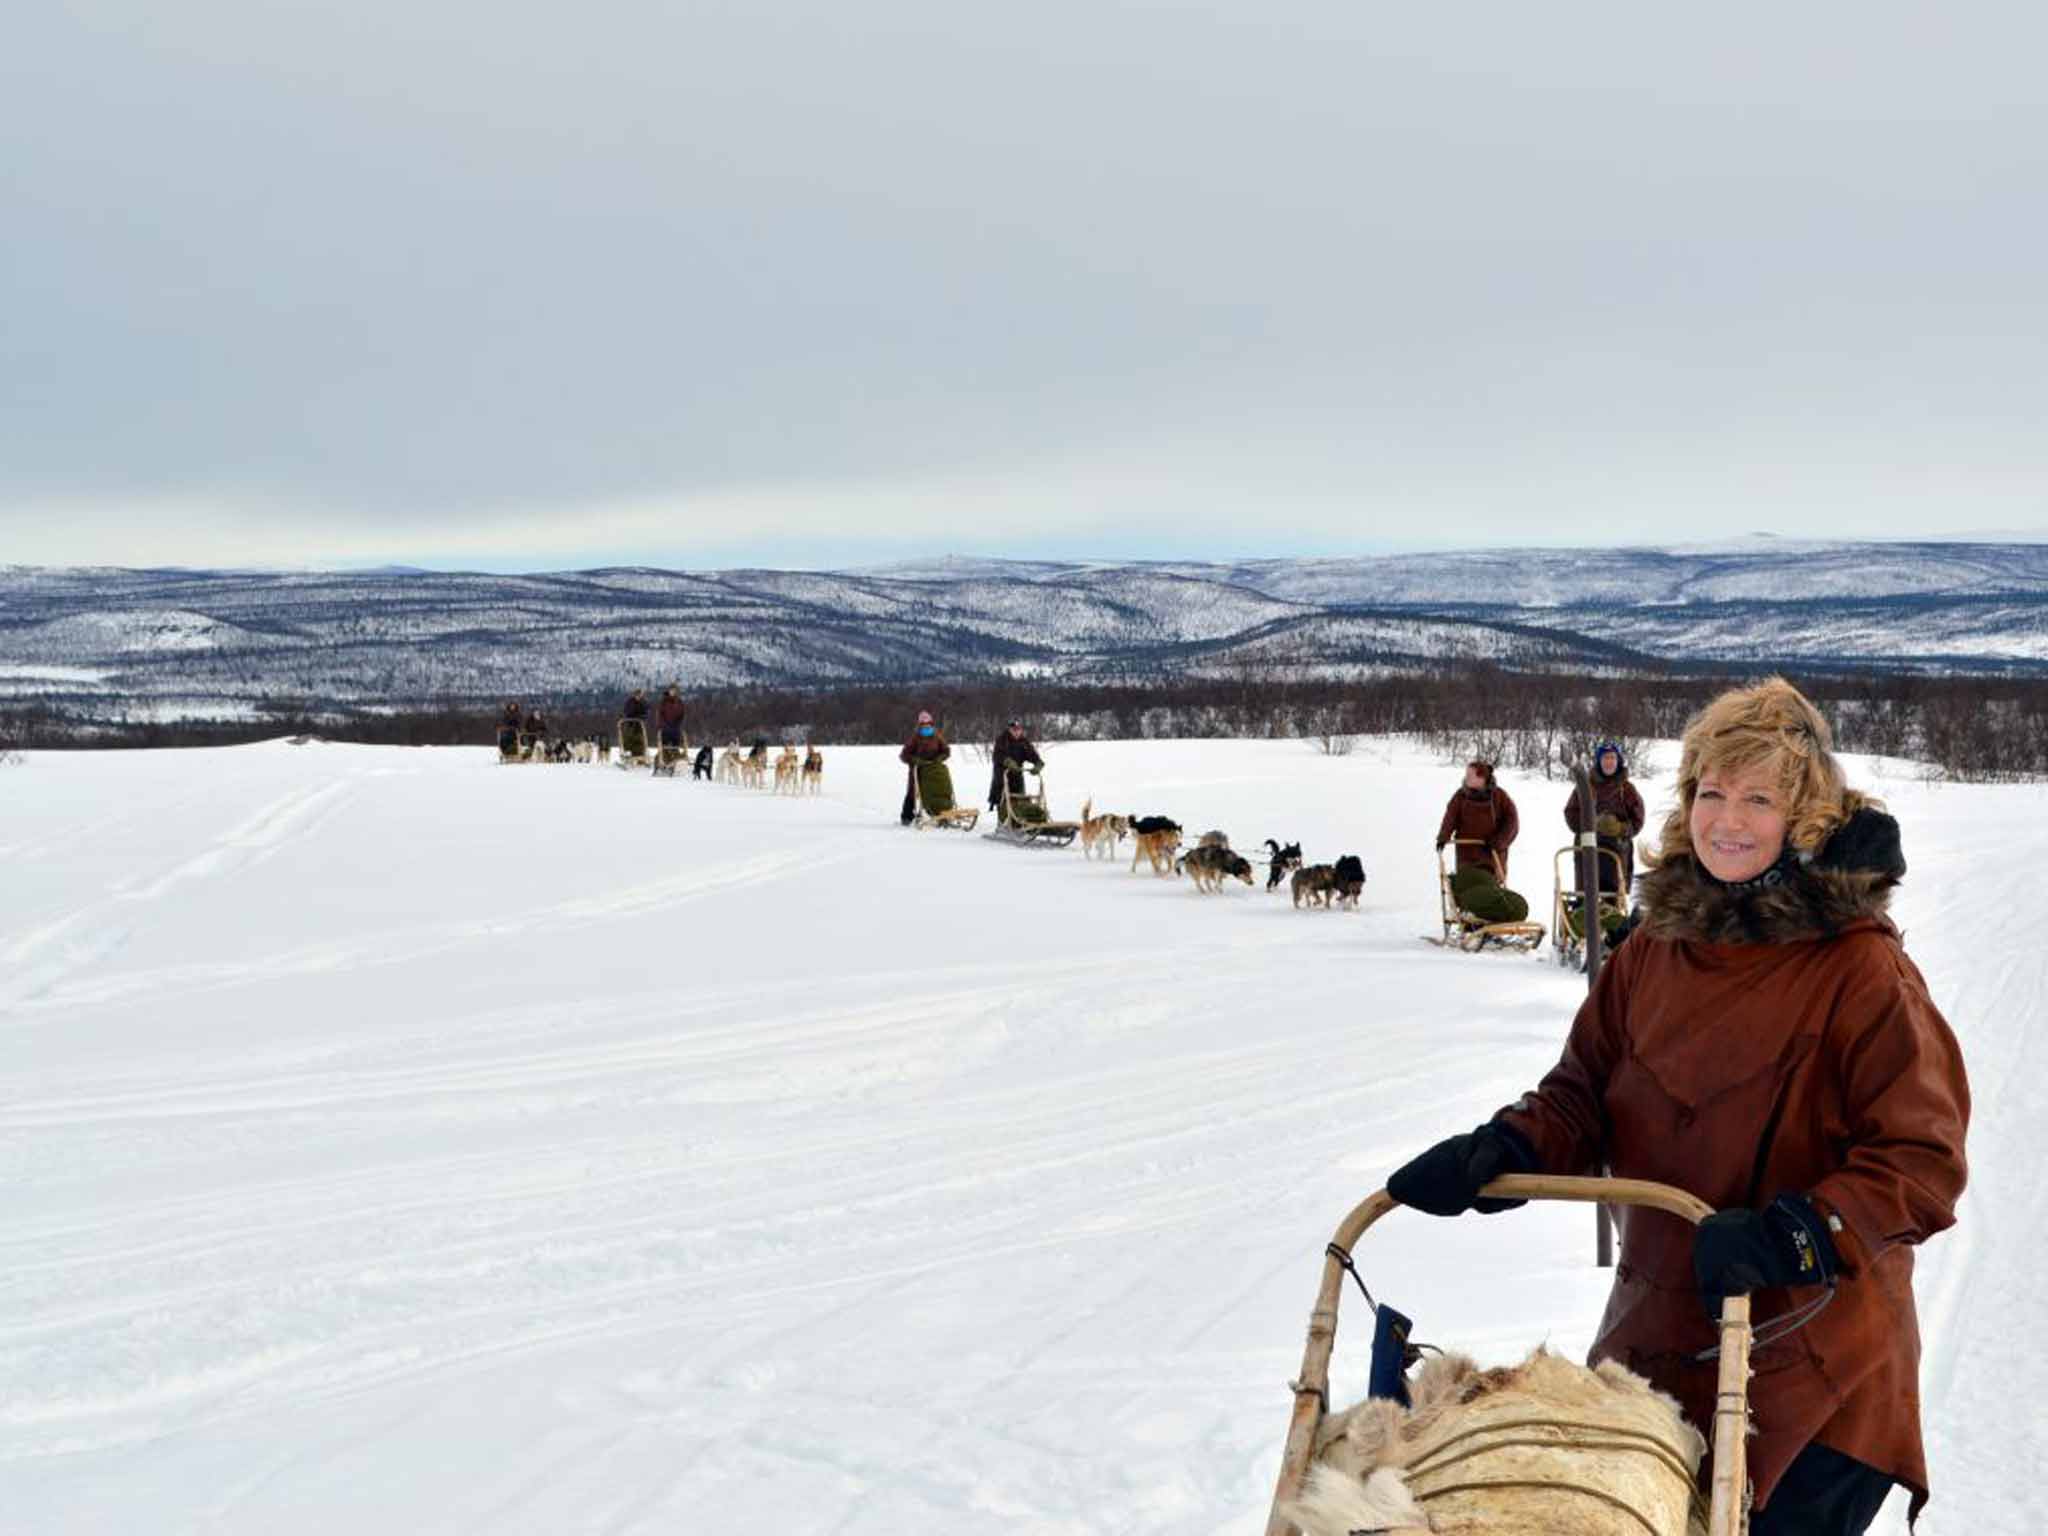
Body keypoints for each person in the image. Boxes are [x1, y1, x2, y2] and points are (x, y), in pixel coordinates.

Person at [1385, 678, 1968, 1535]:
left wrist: (1800, 1230)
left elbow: (1922, 1160)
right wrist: (1501, 1149)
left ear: (1804, 818)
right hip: (1660, 1337)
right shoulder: (1655, 948)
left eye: (1760, 799)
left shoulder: (1861, 971)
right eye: (1712, 792)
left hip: (1817, 1365)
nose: (1727, 819)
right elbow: (1581, 1092)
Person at [1436, 760, 1526, 922]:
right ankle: (1473, 915)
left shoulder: (1499, 797)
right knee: (1473, 884)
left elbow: (1512, 821)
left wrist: (1499, 841)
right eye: (1466, 775)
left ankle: (1493, 917)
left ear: (1482, 778)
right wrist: (1443, 837)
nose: (1466, 778)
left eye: (1471, 775)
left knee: (1492, 887)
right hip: (1467, 855)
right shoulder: (1461, 796)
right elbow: (1450, 817)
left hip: (1492, 853)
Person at [1565, 740, 1648, 895]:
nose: (1609, 762)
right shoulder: (1585, 786)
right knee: (1587, 898)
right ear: (1599, 761)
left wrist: (1620, 828)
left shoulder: (1627, 789)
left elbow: (1638, 821)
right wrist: (1590, 825)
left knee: (1614, 899)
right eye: (1605, 758)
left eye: (1612, 758)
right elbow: (1570, 813)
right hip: (1588, 851)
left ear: (1618, 761)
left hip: (1616, 853)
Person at [899, 711, 951, 824]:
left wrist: (939, 758)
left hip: (934, 769)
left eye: (928, 724)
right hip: (918, 771)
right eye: (924, 725)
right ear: (920, 725)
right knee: (913, 792)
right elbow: (904, 755)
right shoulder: (915, 738)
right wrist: (916, 761)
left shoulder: (937, 736)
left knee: (939, 790)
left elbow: (946, 751)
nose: (926, 727)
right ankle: (907, 817)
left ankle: (940, 811)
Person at [987, 719, 1045, 816]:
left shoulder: (1023, 741)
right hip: (1002, 775)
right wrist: (1008, 761)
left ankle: (1020, 819)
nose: (1017, 732)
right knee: (1003, 799)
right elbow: (997, 755)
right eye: (1014, 730)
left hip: (1017, 775)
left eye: (1018, 729)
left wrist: (1038, 764)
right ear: (1009, 729)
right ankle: (1003, 819)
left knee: (1020, 799)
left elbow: (1032, 754)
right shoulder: (1002, 740)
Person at [656, 684, 686, 754]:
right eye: (672, 690)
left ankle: (675, 753)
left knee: (676, 741)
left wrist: (678, 723)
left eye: (675, 691)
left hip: (675, 726)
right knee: (665, 742)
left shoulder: (679, 701)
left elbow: (682, 714)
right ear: (669, 691)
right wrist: (664, 724)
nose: (673, 692)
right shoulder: (664, 701)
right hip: (665, 726)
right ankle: (664, 754)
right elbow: (660, 714)